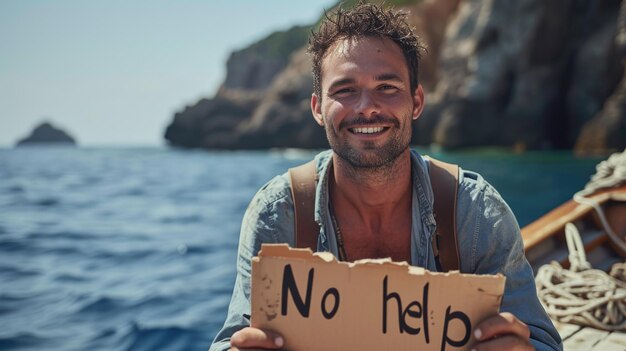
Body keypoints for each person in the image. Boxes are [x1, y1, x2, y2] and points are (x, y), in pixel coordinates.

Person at [210, 3, 562, 351]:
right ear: (318, 108)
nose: (367, 107)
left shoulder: (475, 212)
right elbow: (231, 340)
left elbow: (543, 341)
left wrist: (521, 348)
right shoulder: (278, 215)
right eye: (345, 89)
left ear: (417, 101)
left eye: (387, 87)